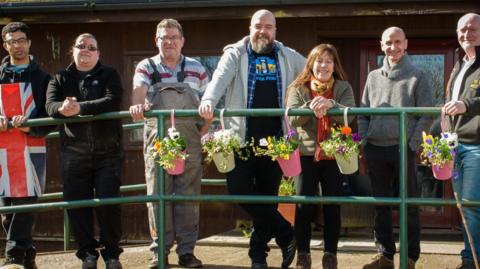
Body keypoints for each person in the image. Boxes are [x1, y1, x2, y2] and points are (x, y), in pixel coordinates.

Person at [198, 9, 305, 269]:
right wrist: (209, 100)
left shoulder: (287, 55)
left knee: (266, 198)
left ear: (275, 31)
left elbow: (314, 69)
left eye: (268, 27)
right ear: (250, 27)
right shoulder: (236, 53)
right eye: (258, 26)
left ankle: (258, 257)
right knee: (241, 191)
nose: (263, 31)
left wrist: (328, 95)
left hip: (275, 143)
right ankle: (286, 232)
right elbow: (219, 80)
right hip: (239, 139)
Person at [129, 18, 209, 269]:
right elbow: (138, 91)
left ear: (183, 40)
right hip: (157, 141)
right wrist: (137, 104)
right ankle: (159, 252)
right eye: (164, 37)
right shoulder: (146, 66)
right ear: (157, 41)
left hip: (190, 139)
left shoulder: (197, 68)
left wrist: (203, 134)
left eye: (174, 37)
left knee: (188, 196)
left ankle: (187, 252)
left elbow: (209, 104)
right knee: (158, 195)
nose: (170, 42)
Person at [45, 33, 124, 269]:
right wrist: (62, 108)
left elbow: (113, 100)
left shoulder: (109, 74)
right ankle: (87, 254)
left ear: (98, 53)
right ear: (73, 50)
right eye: (81, 46)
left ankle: (112, 254)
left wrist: (79, 108)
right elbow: (50, 106)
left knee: (109, 204)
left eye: (92, 47)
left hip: (108, 152)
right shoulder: (59, 77)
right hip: (73, 152)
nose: (86, 50)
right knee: (77, 205)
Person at [358, 26, 433, 269]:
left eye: (398, 42)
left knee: (408, 204)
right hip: (376, 149)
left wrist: (412, 144)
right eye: (388, 43)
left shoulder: (418, 76)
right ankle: (385, 255)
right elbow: (363, 112)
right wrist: (366, 140)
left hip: (403, 149)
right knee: (381, 205)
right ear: (382, 45)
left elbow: (426, 114)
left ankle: (410, 257)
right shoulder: (373, 77)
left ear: (406, 43)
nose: (393, 47)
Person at [285, 44, 356, 269]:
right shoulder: (298, 87)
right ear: (311, 64)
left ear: (335, 66)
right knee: (304, 205)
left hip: (334, 155)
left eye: (328, 61)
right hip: (306, 155)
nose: (323, 65)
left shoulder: (343, 87)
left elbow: (350, 115)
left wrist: (331, 105)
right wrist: (311, 105)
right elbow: (293, 119)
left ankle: (330, 255)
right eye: (319, 60)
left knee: (332, 205)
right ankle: (303, 254)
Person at [0, 21, 51, 269]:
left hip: (31, 145)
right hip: (2, 148)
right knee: (6, 206)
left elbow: (49, 113)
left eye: (21, 40)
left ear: (29, 43)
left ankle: (14, 256)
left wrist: (31, 124)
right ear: (5, 45)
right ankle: (28, 252)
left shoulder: (43, 78)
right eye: (12, 41)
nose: (17, 45)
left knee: (25, 200)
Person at [442, 13, 480, 269]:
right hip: (455, 144)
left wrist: (466, 104)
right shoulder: (459, 64)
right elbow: (447, 106)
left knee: (471, 205)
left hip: (476, 145)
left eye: (472, 28)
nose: (467, 33)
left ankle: (471, 261)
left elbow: (465, 104)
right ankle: (470, 257)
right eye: (462, 29)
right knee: (463, 205)